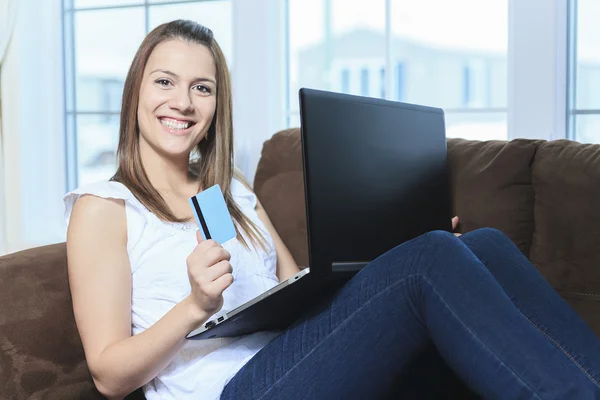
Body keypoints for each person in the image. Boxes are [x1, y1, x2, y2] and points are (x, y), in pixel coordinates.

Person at [64, 20, 600, 400]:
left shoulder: (220, 193)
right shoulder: (105, 208)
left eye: (200, 88)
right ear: (136, 90)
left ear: (215, 104)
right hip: (232, 390)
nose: (182, 102)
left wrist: (386, 256)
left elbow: (288, 287)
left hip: (296, 359)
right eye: (165, 82)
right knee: (432, 258)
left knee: (480, 247)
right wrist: (192, 307)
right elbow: (110, 376)